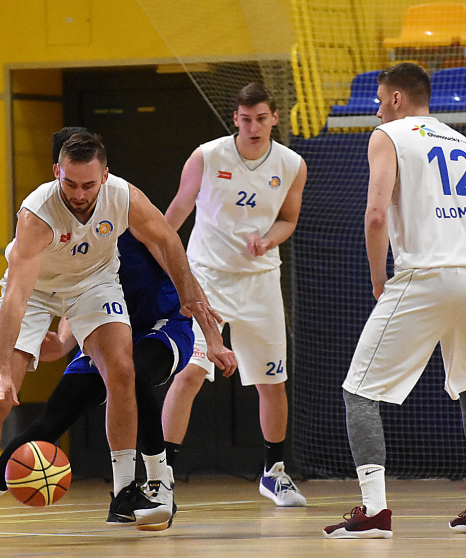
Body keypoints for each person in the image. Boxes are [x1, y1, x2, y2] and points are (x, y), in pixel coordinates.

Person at [0, 128, 236, 540]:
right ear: (57, 171)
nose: (79, 192)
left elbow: (169, 244)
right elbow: (17, 297)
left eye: (88, 184)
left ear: (104, 176)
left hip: (94, 285)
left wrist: (200, 315)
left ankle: (125, 491)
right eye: (69, 183)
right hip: (36, 295)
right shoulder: (36, 215)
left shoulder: (123, 196)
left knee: (123, 370)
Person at [323, 62, 466, 539]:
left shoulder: (389, 136)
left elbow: (374, 215)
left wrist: (377, 278)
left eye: (379, 101)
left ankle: (374, 511)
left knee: (359, 391)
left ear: (395, 99)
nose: (377, 112)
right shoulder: (460, 140)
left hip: (427, 275)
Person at [161, 82, 309, 506]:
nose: (254, 127)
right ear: (235, 120)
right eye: (245, 120)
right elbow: (179, 208)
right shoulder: (206, 156)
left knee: (272, 382)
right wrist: (156, 252)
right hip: (207, 279)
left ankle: (274, 473)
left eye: (261, 118)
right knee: (189, 374)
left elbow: (288, 218)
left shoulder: (292, 164)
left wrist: (268, 240)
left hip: (260, 282)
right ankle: (164, 475)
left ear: (274, 118)